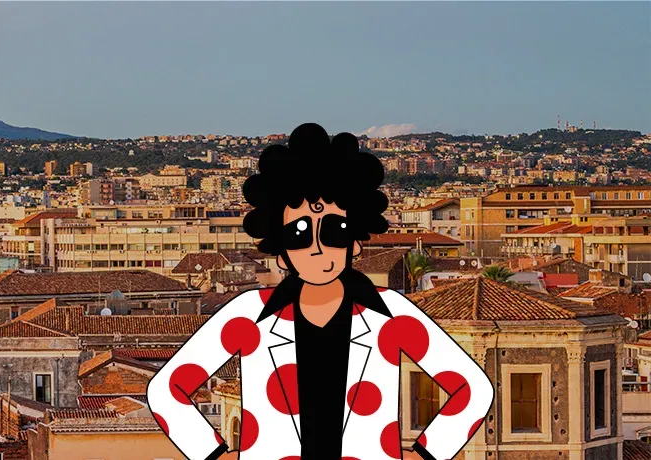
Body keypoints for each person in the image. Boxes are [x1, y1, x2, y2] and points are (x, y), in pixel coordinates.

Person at [145, 123, 491, 460]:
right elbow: (166, 391)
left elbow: (473, 389)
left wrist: (427, 453)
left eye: (334, 231)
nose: (316, 247)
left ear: (354, 243)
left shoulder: (392, 314)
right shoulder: (248, 314)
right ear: (281, 250)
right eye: (299, 234)